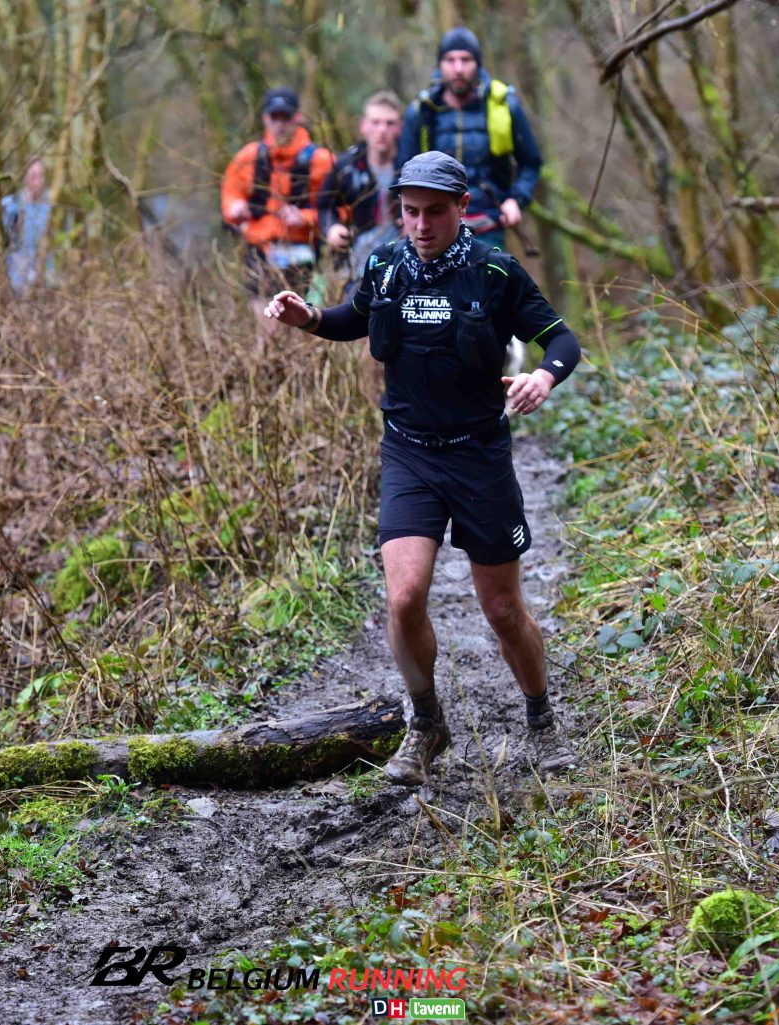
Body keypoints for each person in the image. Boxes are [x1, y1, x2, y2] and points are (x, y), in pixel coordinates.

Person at [261, 153, 580, 786]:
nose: (422, 224)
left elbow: (563, 340)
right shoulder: (385, 264)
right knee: (404, 596)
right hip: (408, 451)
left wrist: (544, 375)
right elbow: (355, 318)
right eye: (410, 211)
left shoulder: (494, 270)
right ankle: (426, 722)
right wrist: (313, 318)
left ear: (461, 209)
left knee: (501, 609)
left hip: (478, 452)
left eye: (435, 211)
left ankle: (541, 716)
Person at [398, 26, 543, 251]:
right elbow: (402, 171)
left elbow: (531, 163)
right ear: (440, 65)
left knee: (488, 284)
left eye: (466, 60)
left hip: (489, 224)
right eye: (450, 60)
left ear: (477, 63)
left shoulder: (503, 107)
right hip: (433, 226)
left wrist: (515, 200)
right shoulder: (422, 112)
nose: (458, 68)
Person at [221, 87, 334, 296]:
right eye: (275, 117)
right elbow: (231, 192)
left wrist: (305, 218)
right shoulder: (248, 157)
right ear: (265, 118)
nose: (280, 124)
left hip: (306, 254)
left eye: (286, 117)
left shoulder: (322, 160)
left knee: (304, 319)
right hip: (260, 251)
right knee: (265, 321)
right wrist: (234, 208)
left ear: (297, 118)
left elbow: (338, 211)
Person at [317, 90, 403, 301]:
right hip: (354, 266)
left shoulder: (411, 165)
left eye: (389, 123)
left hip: (402, 263)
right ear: (364, 125)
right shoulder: (347, 166)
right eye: (375, 122)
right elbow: (324, 205)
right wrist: (332, 229)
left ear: (400, 127)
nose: (382, 130)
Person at [1, 159, 54, 293]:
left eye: (40, 176)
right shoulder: (13, 205)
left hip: (46, 271)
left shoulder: (51, 206)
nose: (37, 181)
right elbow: (6, 235)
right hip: (19, 272)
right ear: (25, 178)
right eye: (33, 176)